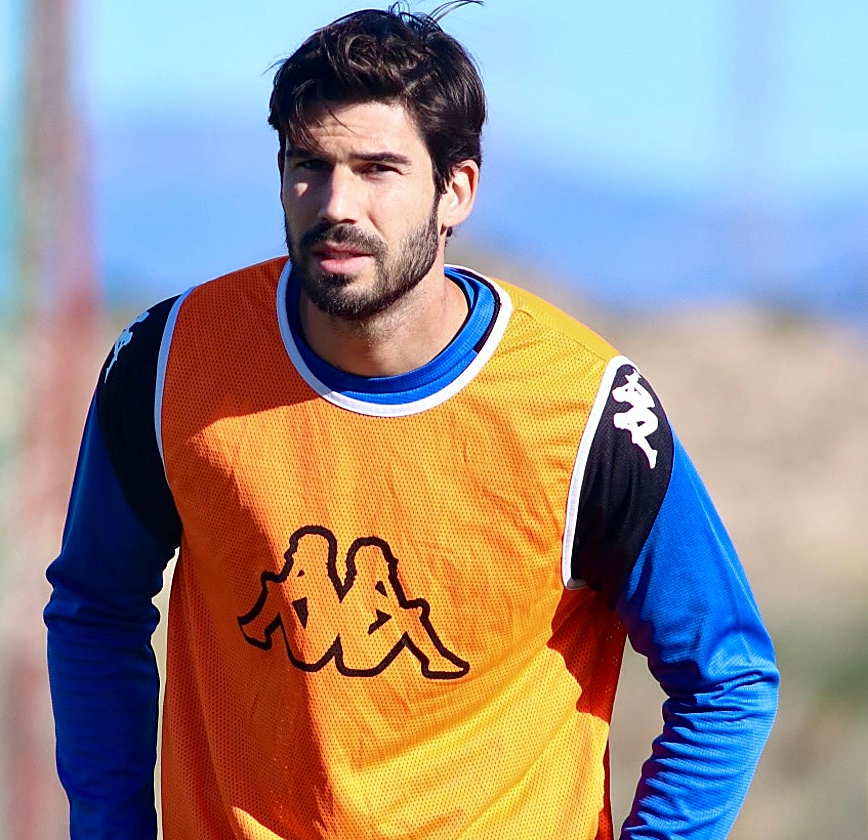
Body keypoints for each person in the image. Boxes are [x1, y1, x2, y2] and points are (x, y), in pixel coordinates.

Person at [44, 5, 779, 838]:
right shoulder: (173, 361)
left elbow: (728, 678)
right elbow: (95, 606)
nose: (335, 203)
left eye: (377, 168)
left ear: (454, 189)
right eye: (308, 165)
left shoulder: (584, 411)